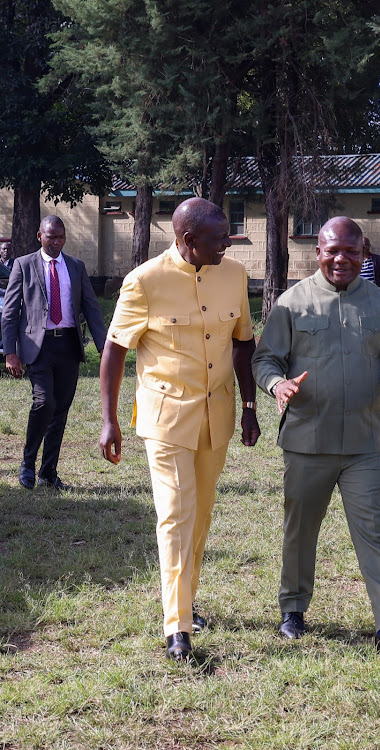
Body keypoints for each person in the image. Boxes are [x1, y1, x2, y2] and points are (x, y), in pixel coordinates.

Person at [252, 216, 380, 654]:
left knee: (374, 532)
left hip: (365, 445)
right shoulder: (291, 304)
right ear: (318, 252)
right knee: (301, 530)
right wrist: (278, 385)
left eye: (351, 251)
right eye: (332, 251)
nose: (341, 260)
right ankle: (293, 610)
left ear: (364, 252)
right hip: (307, 442)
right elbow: (265, 360)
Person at [98, 197, 261, 660]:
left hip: (218, 415)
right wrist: (110, 420)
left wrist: (249, 406)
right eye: (218, 239)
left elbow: (243, 343)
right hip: (166, 418)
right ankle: (177, 627)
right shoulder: (145, 281)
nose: (227, 245)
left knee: (202, 514)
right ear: (188, 240)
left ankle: (185, 600)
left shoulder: (232, 276)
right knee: (175, 515)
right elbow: (114, 351)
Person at [2, 216, 106, 490]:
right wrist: (10, 352)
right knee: (44, 403)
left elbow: (91, 309)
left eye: (61, 237)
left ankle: (48, 473)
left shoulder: (76, 266)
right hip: (38, 347)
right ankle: (27, 463)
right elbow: (10, 312)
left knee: (60, 411)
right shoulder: (24, 265)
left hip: (69, 346)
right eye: (51, 237)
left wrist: (104, 347)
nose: (57, 241)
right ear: (40, 236)